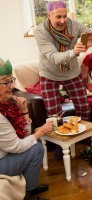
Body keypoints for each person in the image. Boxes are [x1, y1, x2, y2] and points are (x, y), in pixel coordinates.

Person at [34, 0, 92, 121]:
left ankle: (84, 136)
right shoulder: (41, 32)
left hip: (72, 72)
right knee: (54, 114)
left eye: (65, 16)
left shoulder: (74, 25)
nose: (62, 20)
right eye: (58, 17)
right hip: (49, 74)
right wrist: (74, 52)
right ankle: (61, 138)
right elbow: (54, 58)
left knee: (84, 107)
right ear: (49, 15)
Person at [0, 58, 53, 200]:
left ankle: (31, 187)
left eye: (12, 80)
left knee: (35, 144)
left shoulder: (7, 104)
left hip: (4, 154)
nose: (12, 86)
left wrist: (24, 111)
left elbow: (23, 136)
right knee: (36, 148)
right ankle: (28, 194)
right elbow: (18, 146)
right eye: (6, 82)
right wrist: (41, 131)